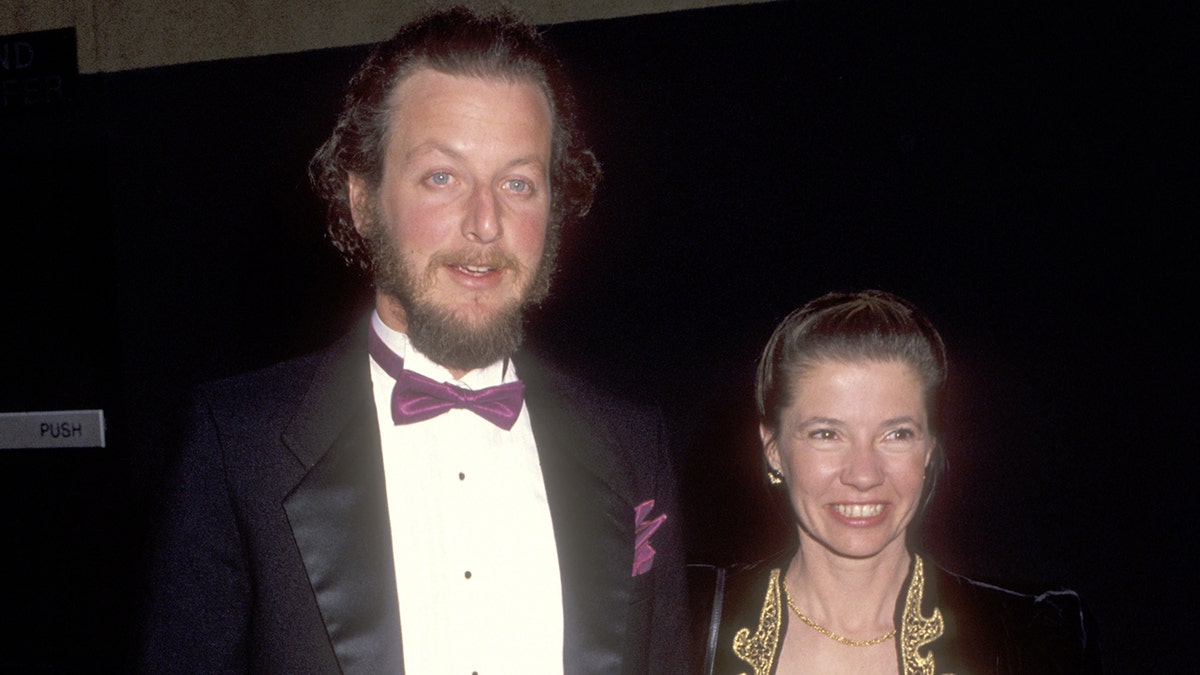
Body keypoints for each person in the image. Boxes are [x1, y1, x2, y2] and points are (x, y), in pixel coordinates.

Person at [138, 7, 686, 674]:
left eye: (518, 182)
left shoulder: (632, 445)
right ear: (362, 199)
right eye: (441, 176)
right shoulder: (240, 445)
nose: (486, 223)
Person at [693, 290, 1101, 674]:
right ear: (773, 449)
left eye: (896, 434)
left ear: (928, 449)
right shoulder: (681, 615)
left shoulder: (1031, 639)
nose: (864, 474)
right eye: (827, 434)